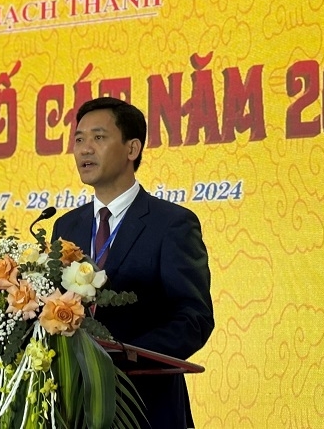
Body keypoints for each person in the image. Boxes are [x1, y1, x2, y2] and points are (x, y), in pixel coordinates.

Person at [51, 97, 215, 428]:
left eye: (98, 138)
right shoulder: (66, 227)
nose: (84, 149)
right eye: (79, 139)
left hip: (144, 404)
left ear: (132, 149)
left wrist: (122, 354)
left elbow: (193, 318)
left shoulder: (171, 224)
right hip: (73, 407)